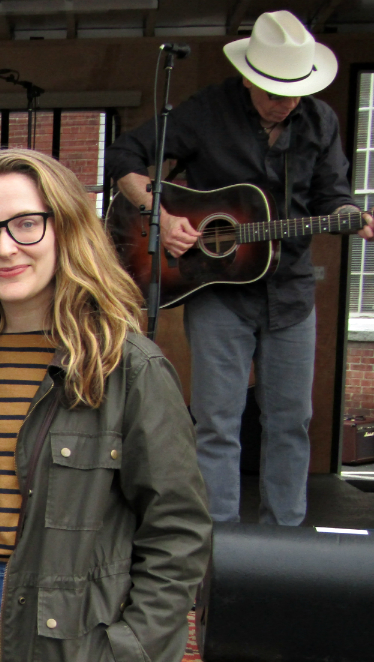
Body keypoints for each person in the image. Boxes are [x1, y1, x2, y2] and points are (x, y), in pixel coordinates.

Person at [0, 148, 212, 662]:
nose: (5, 248)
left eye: (27, 224)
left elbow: (178, 531)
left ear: (68, 228)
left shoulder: (130, 369)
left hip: (82, 652)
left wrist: (128, 658)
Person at [106, 10, 374, 526]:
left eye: (295, 90)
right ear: (250, 77)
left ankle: (285, 547)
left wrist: (349, 218)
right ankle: (217, 551)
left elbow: (335, 196)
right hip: (218, 292)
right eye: (275, 92)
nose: (287, 102)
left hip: (291, 293)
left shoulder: (320, 121)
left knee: (291, 422)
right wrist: (161, 217)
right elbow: (124, 156)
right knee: (217, 422)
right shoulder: (207, 111)